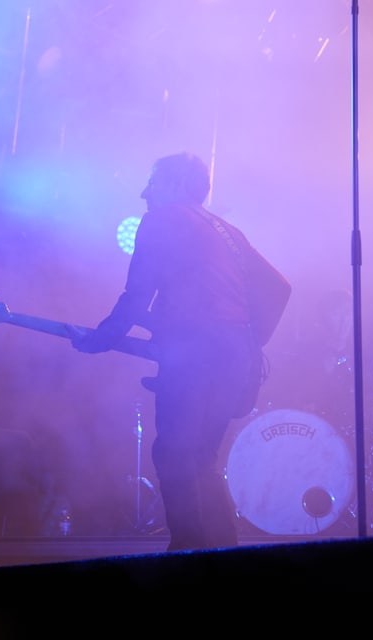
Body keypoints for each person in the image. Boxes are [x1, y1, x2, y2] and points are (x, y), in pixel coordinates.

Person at [68, 152, 276, 551]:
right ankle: (220, 555)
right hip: (234, 357)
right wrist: (248, 342)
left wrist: (99, 339)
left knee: (175, 455)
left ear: (178, 184)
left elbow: (136, 296)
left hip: (198, 356)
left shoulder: (163, 219)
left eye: (153, 182)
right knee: (200, 459)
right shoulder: (228, 231)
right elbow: (277, 287)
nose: (144, 193)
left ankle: (186, 556)